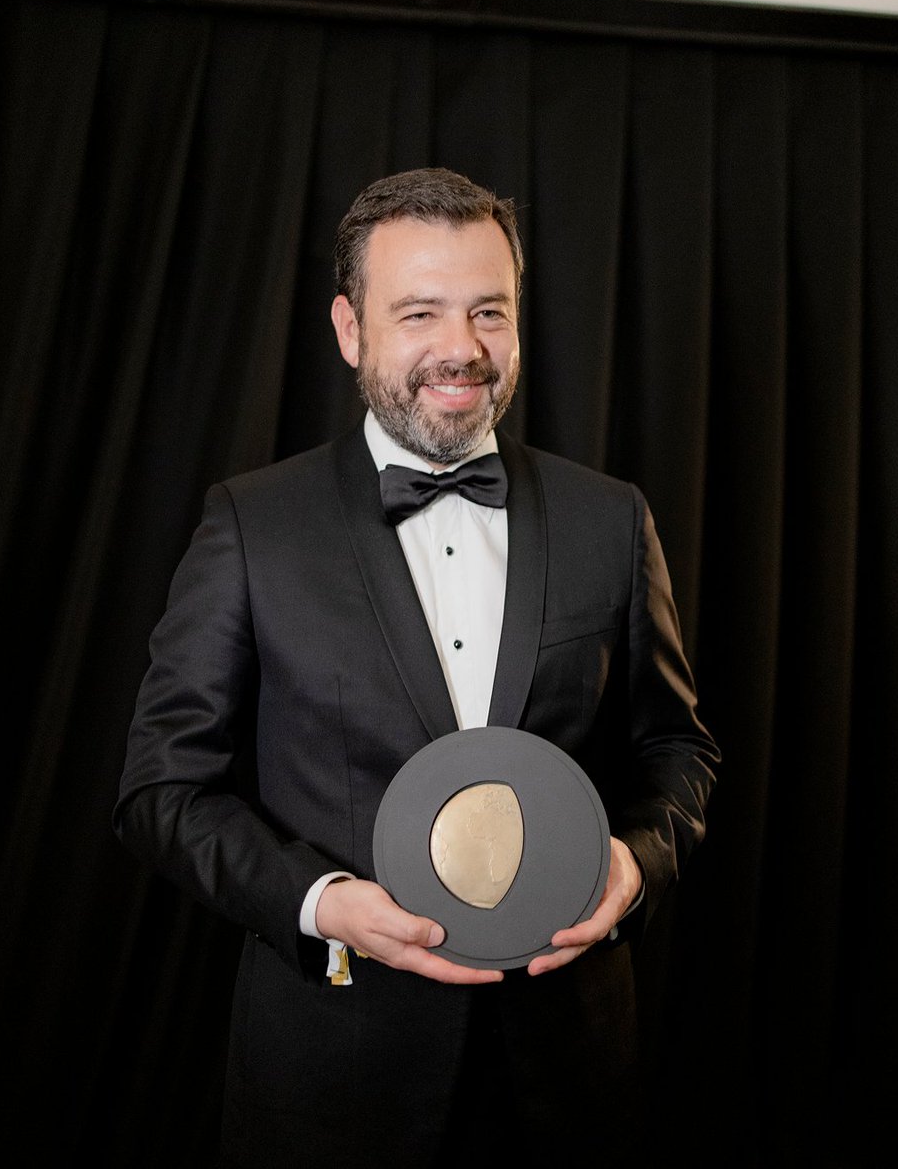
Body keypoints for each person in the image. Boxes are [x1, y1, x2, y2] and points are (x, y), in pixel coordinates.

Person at [115, 167, 719, 1167]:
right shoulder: (251, 526)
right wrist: (321, 904)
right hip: (330, 1076)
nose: (461, 349)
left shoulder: (611, 519)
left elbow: (676, 751)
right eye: (420, 312)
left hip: (570, 1078)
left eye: (490, 311)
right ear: (351, 330)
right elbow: (161, 788)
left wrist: (634, 864)